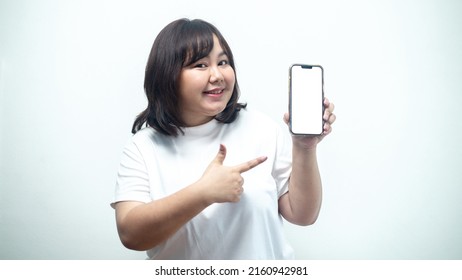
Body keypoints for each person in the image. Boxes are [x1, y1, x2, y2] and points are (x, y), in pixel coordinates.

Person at [111, 18, 336, 260]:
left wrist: (304, 147)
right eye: (200, 65)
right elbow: (131, 235)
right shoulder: (143, 147)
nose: (217, 75)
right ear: (167, 75)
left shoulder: (259, 127)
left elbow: (302, 214)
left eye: (223, 62)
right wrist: (202, 193)